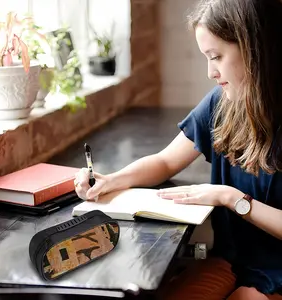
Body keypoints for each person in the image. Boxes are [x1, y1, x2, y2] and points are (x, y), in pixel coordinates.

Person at [74, 0, 282, 299]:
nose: (211, 72)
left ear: (254, 48)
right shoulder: (220, 103)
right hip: (230, 261)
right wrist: (111, 180)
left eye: (217, 57)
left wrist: (232, 197)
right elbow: (165, 161)